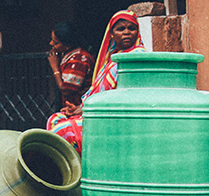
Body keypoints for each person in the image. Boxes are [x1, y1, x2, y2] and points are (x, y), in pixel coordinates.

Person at [46, 10, 147, 154]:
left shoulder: (137, 56)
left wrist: (86, 109)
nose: (126, 32)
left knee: (62, 131)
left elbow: (122, 94)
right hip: (94, 110)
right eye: (120, 29)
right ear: (111, 34)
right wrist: (80, 108)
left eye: (131, 28)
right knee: (55, 119)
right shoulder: (114, 58)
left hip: (113, 116)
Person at [47, 22, 94, 107]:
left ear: (68, 45)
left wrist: (55, 67)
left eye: (56, 43)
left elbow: (66, 90)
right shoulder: (69, 55)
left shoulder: (78, 59)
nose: (51, 44)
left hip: (78, 108)